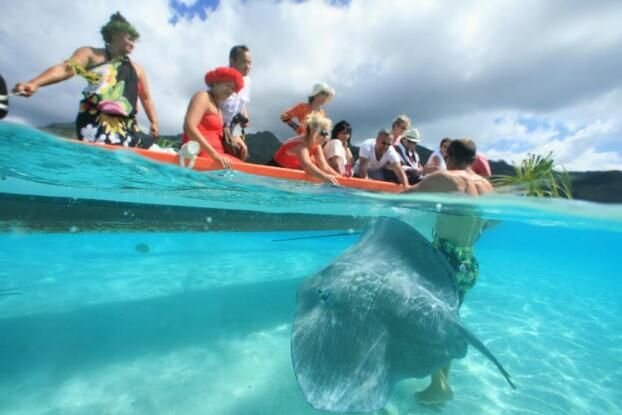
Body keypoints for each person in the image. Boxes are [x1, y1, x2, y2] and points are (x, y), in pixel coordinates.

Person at [404, 138, 494, 405]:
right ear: (474, 159)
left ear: (448, 154)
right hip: (468, 261)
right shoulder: (487, 186)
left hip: (443, 259)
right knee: (448, 322)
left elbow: (404, 197)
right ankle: (440, 387)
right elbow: (493, 221)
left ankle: (439, 385)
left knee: (427, 321)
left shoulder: (446, 178)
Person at [13, 12, 159, 148]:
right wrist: (34, 83)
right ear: (114, 34)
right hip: (95, 122)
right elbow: (66, 69)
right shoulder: (91, 54)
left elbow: (146, 98)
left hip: (128, 127)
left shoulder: (138, 69)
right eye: (129, 38)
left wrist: (154, 122)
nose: (133, 44)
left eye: (135, 40)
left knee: (148, 150)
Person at [182, 67, 244, 169]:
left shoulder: (218, 108)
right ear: (215, 82)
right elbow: (189, 126)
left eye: (233, 89)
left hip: (218, 158)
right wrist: (214, 155)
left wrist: (237, 137)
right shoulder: (203, 96)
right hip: (204, 156)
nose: (230, 91)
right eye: (228, 85)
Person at [271, 113, 340, 185]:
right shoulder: (300, 146)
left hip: (287, 174)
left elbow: (325, 167)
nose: (326, 137)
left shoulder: (316, 145)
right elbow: (307, 166)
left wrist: (341, 178)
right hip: (273, 170)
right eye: (323, 133)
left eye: (327, 134)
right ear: (314, 132)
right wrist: (325, 177)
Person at [220, 45, 252, 160]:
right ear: (232, 61)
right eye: (244, 62)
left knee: (241, 154)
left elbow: (242, 104)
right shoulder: (221, 78)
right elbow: (212, 105)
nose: (247, 66)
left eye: (250, 63)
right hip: (215, 128)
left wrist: (244, 117)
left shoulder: (247, 81)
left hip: (232, 129)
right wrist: (229, 135)